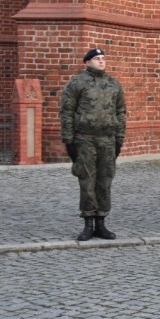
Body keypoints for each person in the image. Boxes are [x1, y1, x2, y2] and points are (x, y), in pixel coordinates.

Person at [59, 48, 127, 241]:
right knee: (87, 181)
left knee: (104, 181)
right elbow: (67, 112)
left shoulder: (113, 84)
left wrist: (119, 138)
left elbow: (121, 112)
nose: (101, 61)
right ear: (87, 62)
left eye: (103, 58)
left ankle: (101, 222)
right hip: (85, 139)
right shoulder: (77, 83)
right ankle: (88, 222)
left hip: (107, 139)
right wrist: (68, 140)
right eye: (97, 59)